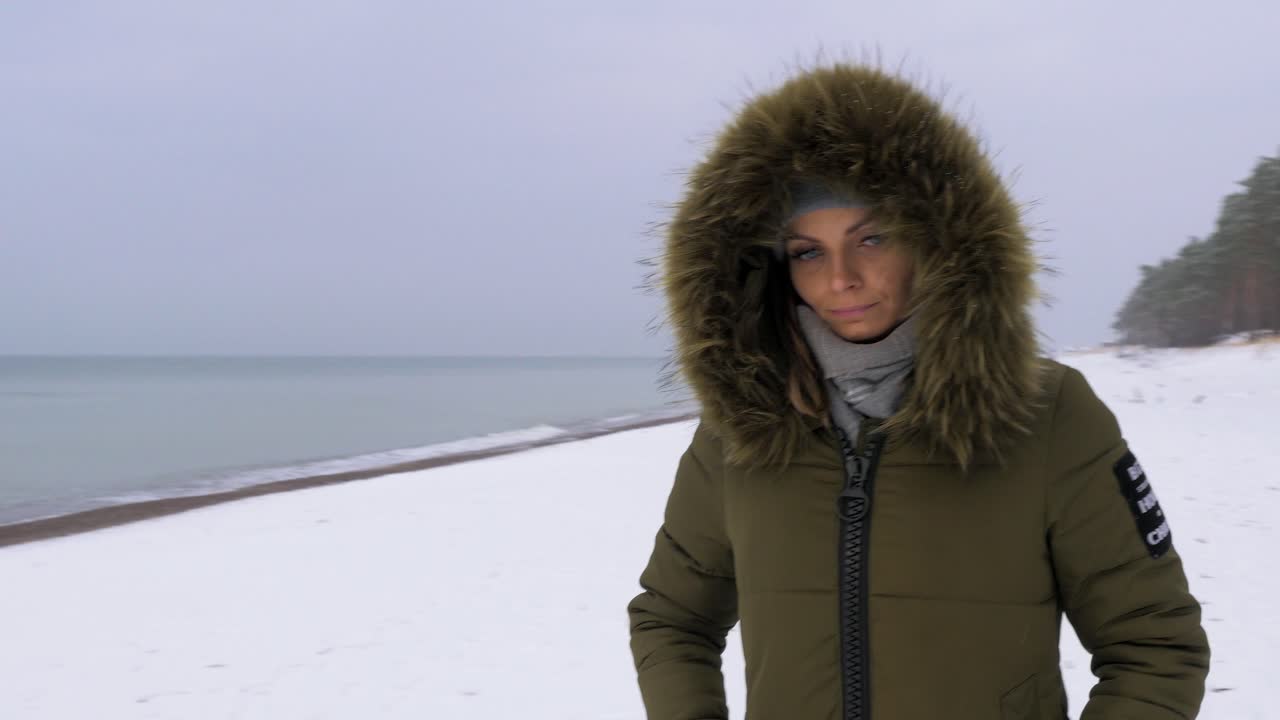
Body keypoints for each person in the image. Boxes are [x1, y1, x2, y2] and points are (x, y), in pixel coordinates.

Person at [627, 63, 1209, 720]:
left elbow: (1155, 645)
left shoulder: (1047, 414)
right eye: (807, 252)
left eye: (871, 238)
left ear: (934, 240)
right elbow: (672, 620)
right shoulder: (742, 425)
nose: (840, 279)